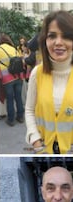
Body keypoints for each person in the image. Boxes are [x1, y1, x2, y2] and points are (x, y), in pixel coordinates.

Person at [25, 10, 73, 154]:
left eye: (66, 36)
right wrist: (35, 139)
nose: (58, 42)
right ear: (45, 41)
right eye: (52, 36)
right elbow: (29, 110)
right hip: (43, 148)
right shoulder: (37, 73)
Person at [0, 33, 25, 127]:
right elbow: (21, 62)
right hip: (18, 76)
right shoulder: (14, 49)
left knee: (10, 99)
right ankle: (20, 117)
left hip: (7, 78)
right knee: (18, 97)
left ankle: (11, 120)